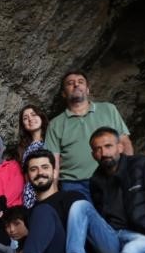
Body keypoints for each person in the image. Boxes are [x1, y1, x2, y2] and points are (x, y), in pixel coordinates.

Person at [45, 70, 133, 198]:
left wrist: (128, 171)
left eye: (80, 82)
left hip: (110, 175)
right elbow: (54, 162)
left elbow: (124, 141)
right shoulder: (55, 124)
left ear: (87, 90)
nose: (76, 85)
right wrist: (52, 193)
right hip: (73, 184)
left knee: (115, 217)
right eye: (70, 83)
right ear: (63, 93)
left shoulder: (108, 109)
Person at [17, 105, 49, 207]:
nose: (30, 119)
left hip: (48, 188)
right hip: (30, 193)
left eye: (33, 114)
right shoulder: (23, 148)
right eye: (25, 118)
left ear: (41, 117)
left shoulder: (51, 139)